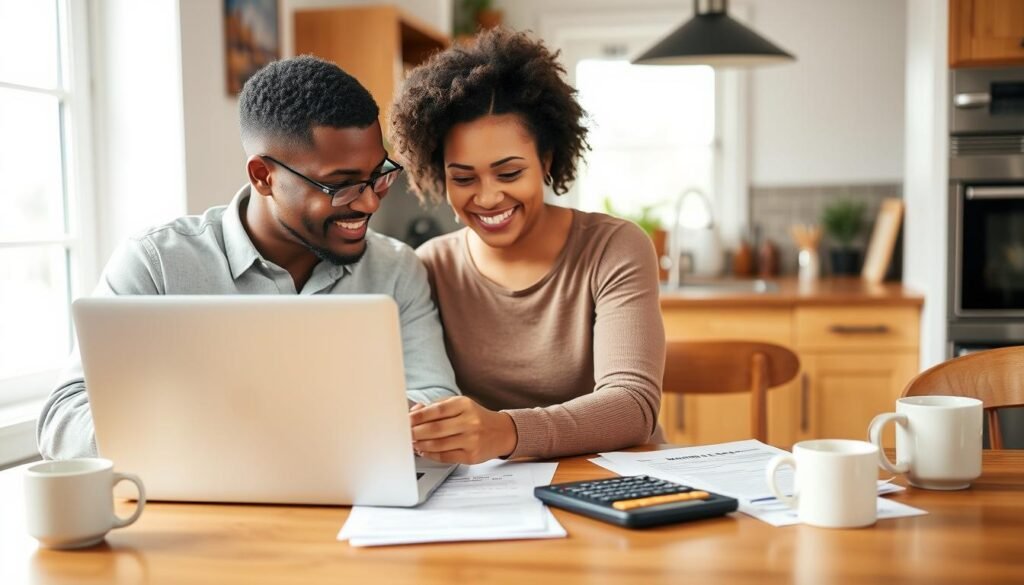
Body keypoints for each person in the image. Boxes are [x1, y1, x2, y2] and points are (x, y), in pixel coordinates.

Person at [37, 56, 459, 460]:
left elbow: (439, 399)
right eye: (341, 185)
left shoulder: (397, 268)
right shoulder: (157, 264)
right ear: (263, 176)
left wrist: (345, 417)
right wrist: (205, 426)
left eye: (377, 176)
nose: (369, 203)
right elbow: (63, 420)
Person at [391, 28, 665, 464]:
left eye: (509, 173)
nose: (487, 197)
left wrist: (506, 431)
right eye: (463, 178)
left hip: (613, 479)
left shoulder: (613, 248)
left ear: (547, 162)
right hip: (495, 495)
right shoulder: (429, 268)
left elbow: (633, 405)